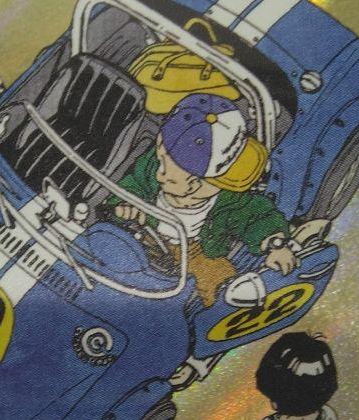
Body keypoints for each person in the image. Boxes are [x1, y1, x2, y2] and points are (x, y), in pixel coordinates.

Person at [111, 92, 299, 308]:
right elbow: (132, 184)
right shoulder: (153, 166)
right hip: (143, 233)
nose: (159, 173)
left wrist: (275, 244)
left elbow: (257, 216)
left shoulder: (230, 200)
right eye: (161, 159)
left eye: (167, 173)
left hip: (196, 250)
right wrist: (125, 205)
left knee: (216, 277)